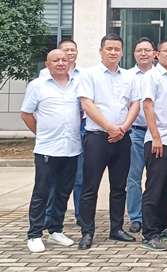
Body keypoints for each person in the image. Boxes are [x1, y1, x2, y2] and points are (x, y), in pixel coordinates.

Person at [77, 34, 140, 250]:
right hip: (97, 138)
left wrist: (123, 128)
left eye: (117, 49)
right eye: (109, 48)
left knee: (119, 187)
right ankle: (87, 232)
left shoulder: (129, 76)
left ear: (122, 52)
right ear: (101, 51)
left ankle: (116, 229)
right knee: (90, 187)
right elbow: (87, 105)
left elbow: (135, 104)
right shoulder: (89, 74)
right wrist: (109, 127)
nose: (113, 52)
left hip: (122, 138)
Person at [22, 49, 82, 252]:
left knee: (64, 192)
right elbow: (26, 114)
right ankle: (34, 234)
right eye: (56, 60)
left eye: (64, 60)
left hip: (72, 148)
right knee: (42, 192)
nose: (61, 63)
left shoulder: (77, 84)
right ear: (47, 65)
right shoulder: (37, 85)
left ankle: (56, 231)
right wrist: (40, 133)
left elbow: (82, 112)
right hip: (47, 148)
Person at [140, 39, 167, 251]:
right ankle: (149, 234)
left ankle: (162, 226)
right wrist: (156, 137)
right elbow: (147, 106)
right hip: (158, 141)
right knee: (154, 188)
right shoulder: (152, 76)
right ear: (157, 54)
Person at [39, 39, 86, 229]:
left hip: (77, 131)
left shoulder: (83, 75)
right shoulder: (44, 76)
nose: (70, 53)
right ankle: (48, 216)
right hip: (51, 137)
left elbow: (83, 107)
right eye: (66, 50)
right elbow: (29, 112)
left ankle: (80, 215)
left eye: (73, 50)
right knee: (50, 180)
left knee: (78, 177)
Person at [126, 38, 156, 234]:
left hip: (158, 135)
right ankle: (136, 217)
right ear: (134, 54)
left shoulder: (164, 75)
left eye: (147, 50)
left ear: (154, 54)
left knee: (156, 178)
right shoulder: (127, 76)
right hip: (136, 132)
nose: (143, 53)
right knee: (134, 177)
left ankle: (154, 216)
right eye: (139, 50)